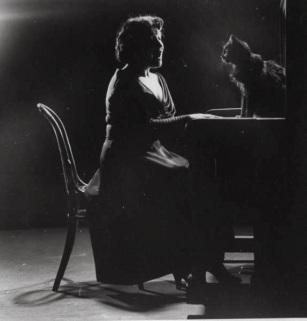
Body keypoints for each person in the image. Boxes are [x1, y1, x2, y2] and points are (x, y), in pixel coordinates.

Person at [88, 15, 237, 288]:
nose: (160, 48)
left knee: (206, 178)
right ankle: (198, 263)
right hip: (127, 160)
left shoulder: (156, 78)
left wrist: (195, 120)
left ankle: (207, 261)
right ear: (134, 48)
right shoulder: (125, 82)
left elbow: (167, 122)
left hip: (154, 151)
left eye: (160, 43)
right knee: (188, 180)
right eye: (152, 44)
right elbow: (146, 128)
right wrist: (192, 118)